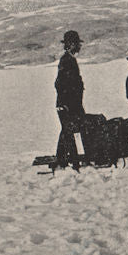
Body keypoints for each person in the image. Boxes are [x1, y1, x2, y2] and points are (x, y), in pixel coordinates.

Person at [54, 30, 85, 169]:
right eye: (77, 44)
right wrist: (65, 104)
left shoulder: (69, 60)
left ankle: (64, 160)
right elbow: (60, 84)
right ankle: (69, 161)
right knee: (68, 131)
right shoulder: (66, 61)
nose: (79, 46)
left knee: (68, 131)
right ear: (71, 44)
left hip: (72, 104)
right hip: (68, 105)